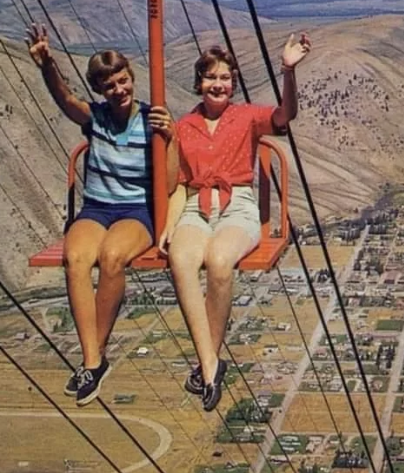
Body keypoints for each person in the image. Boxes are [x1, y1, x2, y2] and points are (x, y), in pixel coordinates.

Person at [26, 23, 176, 406]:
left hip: (136, 210)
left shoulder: (151, 120)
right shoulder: (96, 119)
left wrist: (171, 139)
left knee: (111, 257)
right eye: (110, 86)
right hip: (97, 206)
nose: (119, 91)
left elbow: (172, 180)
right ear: (100, 89)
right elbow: (65, 100)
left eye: (123, 82)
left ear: (132, 79)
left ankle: (95, 355)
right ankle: (92, 361)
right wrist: (47, 65)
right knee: (75, 258)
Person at [161, 33, 311, 412]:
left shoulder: (246, 117)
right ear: (199, 83)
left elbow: (284, 116)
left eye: (225, 78)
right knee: (180, 260)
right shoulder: (185, 125)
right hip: (196, 204)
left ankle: (207, 363)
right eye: (211, 78)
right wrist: (168, 223)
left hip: (237, 204)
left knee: (219, 261)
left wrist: (288, 72)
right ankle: (210, 362)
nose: (219, 84)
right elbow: (179, 184)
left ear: (234, 83)